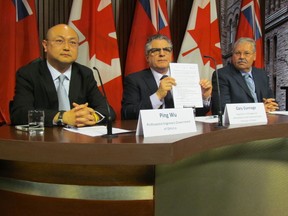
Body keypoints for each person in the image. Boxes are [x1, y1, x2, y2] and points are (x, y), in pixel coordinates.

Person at [10, 24, 115, 127]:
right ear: (45, 45)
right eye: (60, 41)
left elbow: (107, 110)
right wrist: (62, 117)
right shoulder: (28, 74)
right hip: (43, 141)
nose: (67, 47)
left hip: (79, 140)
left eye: (73, 42)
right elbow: (20, 114)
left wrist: (91, 117)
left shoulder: (84, 74)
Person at [122, 34, 212, 120]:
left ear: (171, 55)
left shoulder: (184, 76)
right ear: (147, 57)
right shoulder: (134, 80)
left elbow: (197, 114)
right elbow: (127, 113)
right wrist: (158, 96)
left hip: (183, 129)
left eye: (166, 50)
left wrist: (204, 98)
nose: (162, 54)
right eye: (155, 50)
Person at [211, 37, 279, 115]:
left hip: (265, 122)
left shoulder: (261, 74)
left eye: (246, 53)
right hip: (239, 125)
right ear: (232, 55)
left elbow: (272, 102)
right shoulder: (222, 75)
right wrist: (259, 109)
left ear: (254, 56)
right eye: (237, 53)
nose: (242, 57)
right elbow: (223, 109)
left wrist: (271, 106)